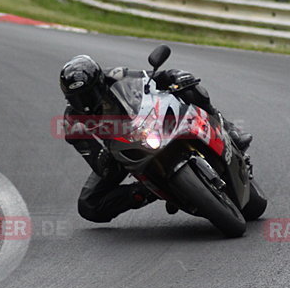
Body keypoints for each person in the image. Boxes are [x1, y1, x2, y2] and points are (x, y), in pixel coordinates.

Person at [59, 53, 252, 224]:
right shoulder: (72, 123)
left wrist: (173, 76)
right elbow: (98, 164)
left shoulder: (116, 75)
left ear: (100, 82)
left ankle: (228, 128)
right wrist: (104, 158)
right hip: (119, 150)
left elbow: (150, 78)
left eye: (89, 94)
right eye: (78, 98)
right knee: (88, 205)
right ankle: (145, 192)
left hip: (147, 124)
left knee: (188, 87)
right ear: (69, 99)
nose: (85, 103)